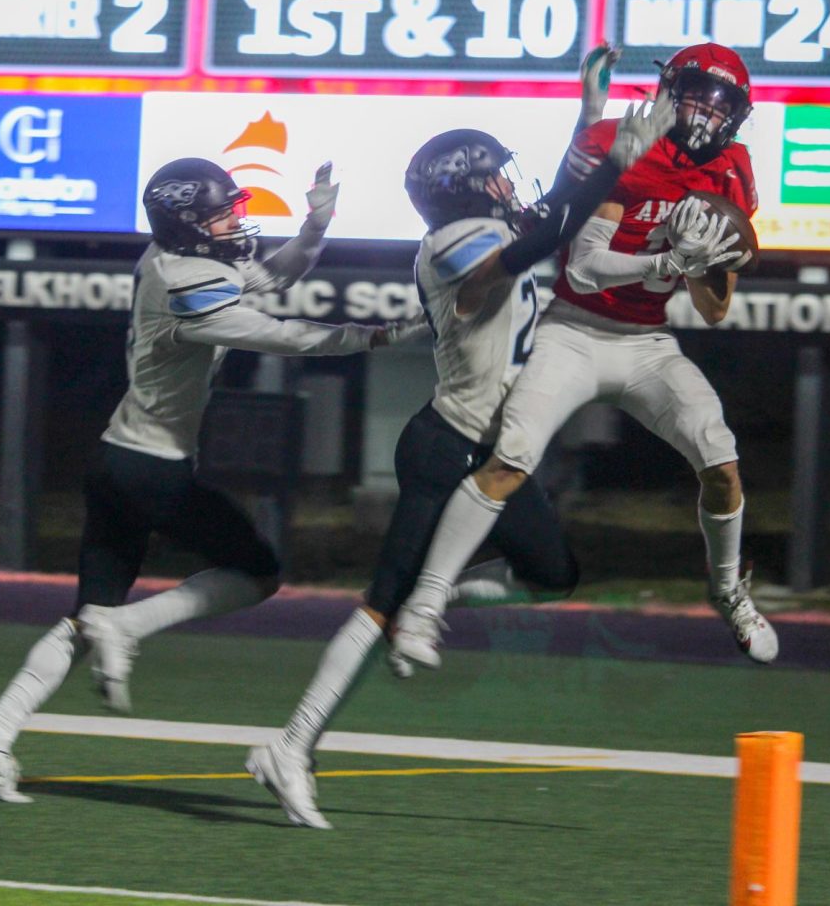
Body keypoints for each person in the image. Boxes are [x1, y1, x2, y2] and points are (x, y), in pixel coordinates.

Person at [245, 82, 675, 829]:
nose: (512, 184)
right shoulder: (455, 244)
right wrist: (610, 173)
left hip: (497, 453)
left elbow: (550, 211)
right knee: (380, 603)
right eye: (498, 174)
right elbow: (537, 239)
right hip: (449, 448)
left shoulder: (480, 229)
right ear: (469, 188)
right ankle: (290, 745)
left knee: (552, 574)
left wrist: (590, 118)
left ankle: (430, 598)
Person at [0, 157, 420, 803]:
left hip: (116, 458)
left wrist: (314, 226)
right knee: (256, 571)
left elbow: (273, 279)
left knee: (87, 617)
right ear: (189, 224)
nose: (236, 220)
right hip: (151, 467)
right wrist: (381, 335)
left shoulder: (178, 259)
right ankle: (128, 628)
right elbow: (287, 337)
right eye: (222, 212)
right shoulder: (189, 285)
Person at [392, 42, 779, 673]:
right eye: (697, 95)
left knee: (722, 463)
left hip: (648, 343)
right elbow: (590, 266)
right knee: (510, 457)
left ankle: (729, 588)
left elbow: (714, 309)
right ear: (667, 90)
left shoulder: (731, 169)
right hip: (574, 329)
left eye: (722, 102)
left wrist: (707, 258)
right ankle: (424, 606)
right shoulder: (628, 142)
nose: (708, 114)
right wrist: (667, 259)